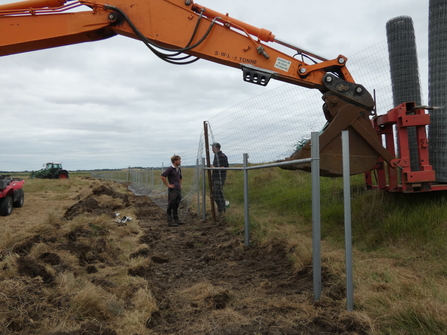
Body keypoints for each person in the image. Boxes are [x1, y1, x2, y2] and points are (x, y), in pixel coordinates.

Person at [161, 155, 183, 227]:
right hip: (172, 190)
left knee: (176, 204)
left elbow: (180, 177)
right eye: (179, 160)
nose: (180, 161)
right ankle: (169, 220)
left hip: (178, 189)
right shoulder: (170, 169)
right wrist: (168, 185)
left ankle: (176, 219)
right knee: (171, 204)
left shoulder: (179, 169)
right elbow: (163, 176)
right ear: (175, 161)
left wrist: (180, 185)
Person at [211, 143, 229, 215]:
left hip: (220, 178)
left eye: (213, 148)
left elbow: (226, 167)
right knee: (219, 194)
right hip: (215, 177)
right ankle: (223, 210)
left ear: (217, 148)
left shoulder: (222, 156)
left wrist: (215, 168)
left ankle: (221, 209)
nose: (212, 149)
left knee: (216, 194)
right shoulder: (216, 156)